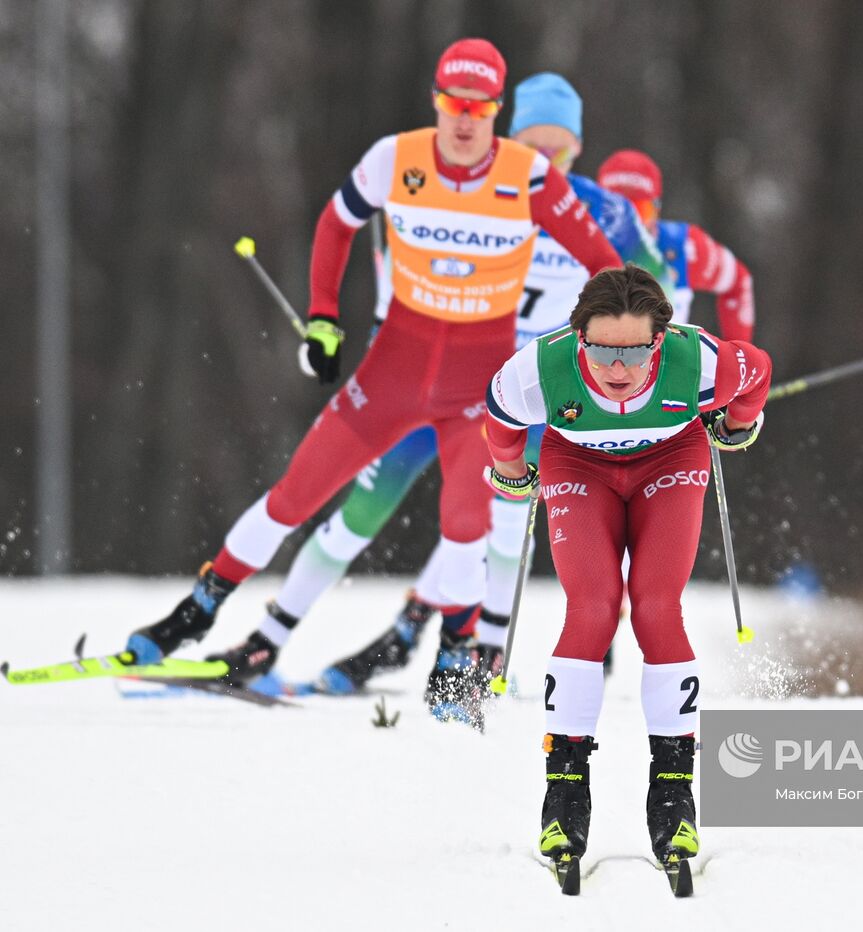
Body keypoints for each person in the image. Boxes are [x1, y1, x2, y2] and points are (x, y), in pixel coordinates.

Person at [123, 40, 623, 673]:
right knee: (294, 497)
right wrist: (325, 319)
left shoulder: (527, 176)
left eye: (480, 107)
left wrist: (613, 349)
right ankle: (197, 611)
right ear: (436, 102)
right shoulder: (395, 159)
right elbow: (336, 224)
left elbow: (607, 266)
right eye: (453, 104)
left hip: (480, 387)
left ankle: (455, 663)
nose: (465, 121)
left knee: (467, 524)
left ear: (496, 111)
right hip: (394, 373)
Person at [211, 73, 671, 716]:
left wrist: (661, 358)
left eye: (558, 149)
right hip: (434, 379)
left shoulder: (597, 210)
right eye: (531, 143)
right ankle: (268, 640)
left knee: (502, 526)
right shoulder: (484, 189)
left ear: (576, 149)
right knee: (361, 515)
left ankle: (479, 662)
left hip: (522, 395)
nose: (543, 159)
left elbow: (657, 283)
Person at [484, 265, 770, 873]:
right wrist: (511, 470)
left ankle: (674, 793)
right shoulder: (539, 368)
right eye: (602, 350)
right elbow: (500, 418)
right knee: (591, 604)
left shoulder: (701, 362)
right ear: (578, 337)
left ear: (660, 340)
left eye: (637, 351)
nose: (619, 368)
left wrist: (737, 424)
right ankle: (564, 790)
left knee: (656, 603)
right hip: (576, 463)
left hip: (671, 458)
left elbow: (758, 372)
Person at [597, 148, 755, 342]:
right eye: (617, 213)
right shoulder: (570, 239)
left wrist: (740, 358)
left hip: (667, 368)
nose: (631, 225)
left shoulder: (685, 248)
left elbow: (738, 282)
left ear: (657, 208)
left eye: (641, 211)